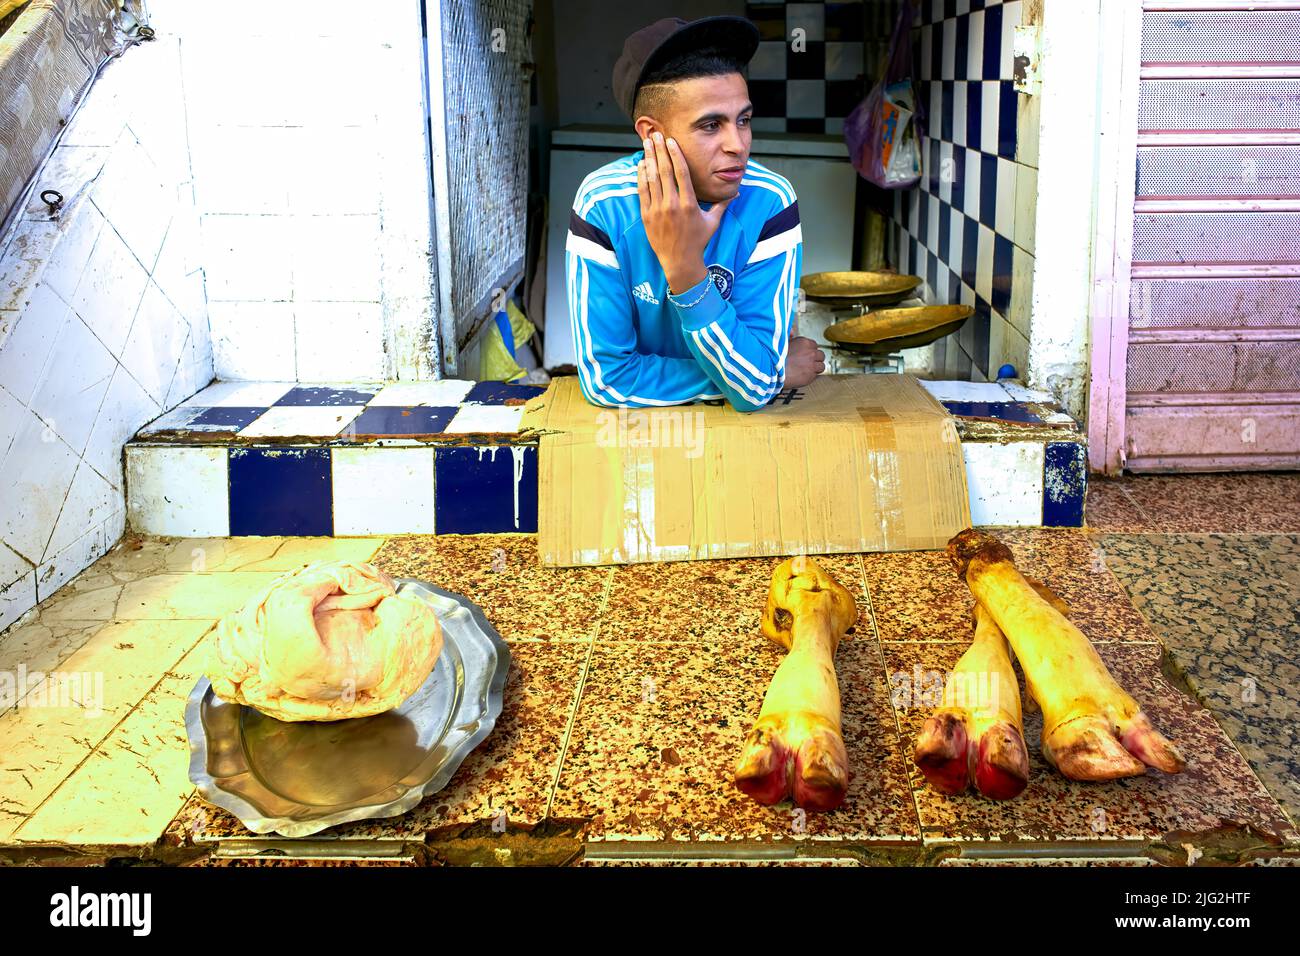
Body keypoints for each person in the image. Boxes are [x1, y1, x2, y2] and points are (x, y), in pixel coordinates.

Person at [565, 15, 826, 412]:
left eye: (744, 120)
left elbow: (754, 387)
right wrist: (767, 374)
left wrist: (686, 270)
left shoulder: (768, 201)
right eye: (710, 126)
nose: (738, 145)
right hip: (638, 449)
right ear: (652, 134)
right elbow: (608, 380)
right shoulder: (604, 207)